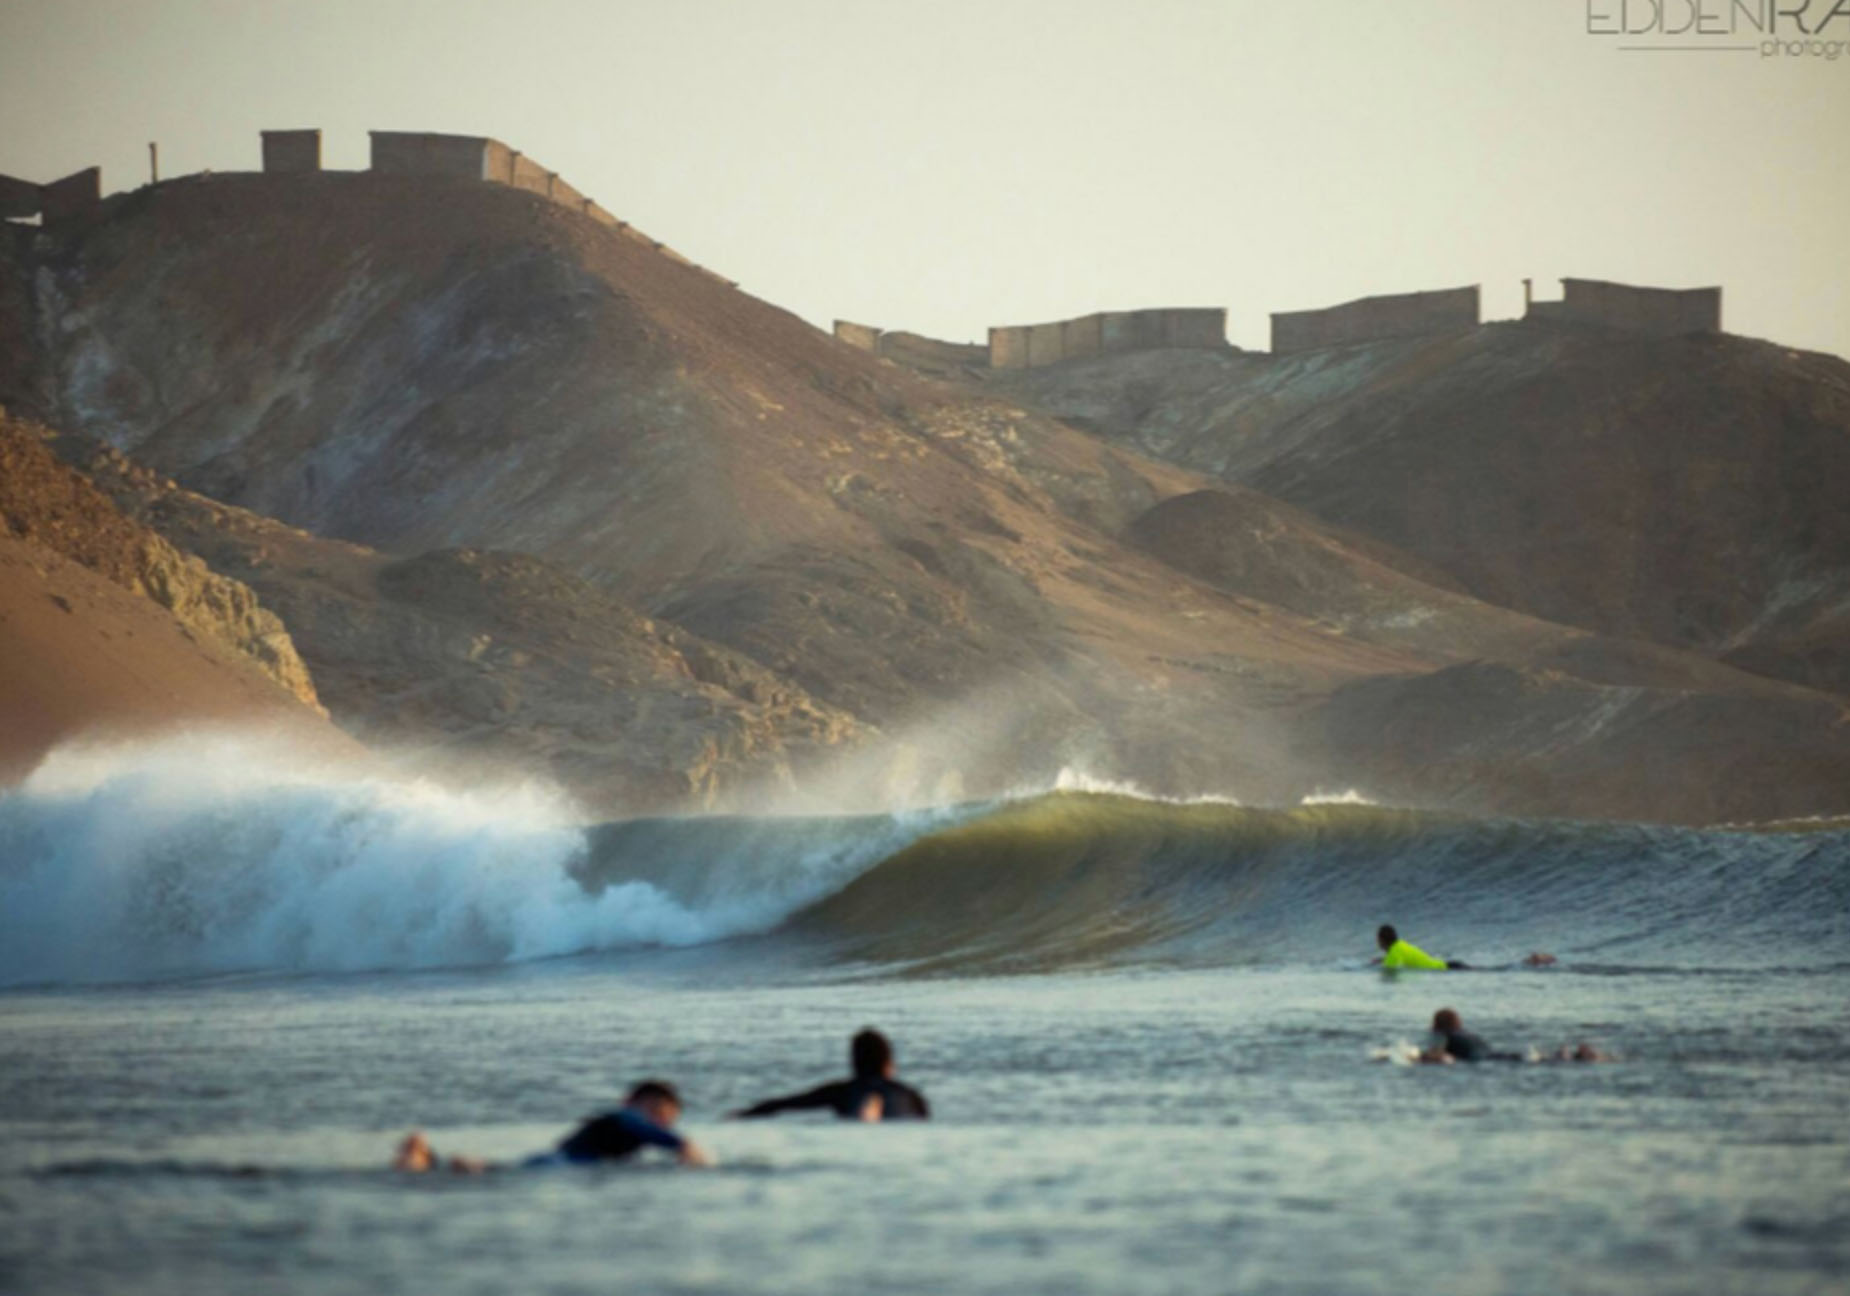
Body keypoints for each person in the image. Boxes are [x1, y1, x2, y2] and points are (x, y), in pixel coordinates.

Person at [393, 1079, 712, 1172]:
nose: (658, 1120)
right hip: (558, 1165)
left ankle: (423, 1156)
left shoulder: (629, 1128)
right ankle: (423, 1157)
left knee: (489, 1171)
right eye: (654, 1109)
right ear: (629, 1101)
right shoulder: (625, 1119)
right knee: (485, 1172)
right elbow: (645, 1130)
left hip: (557, 1162)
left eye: (666, 1117)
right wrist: (682, 1144)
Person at [732, 1028, 930, 1121]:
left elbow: (783, 1104)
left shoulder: (841, 1091)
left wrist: (743, 1114)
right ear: (889, 1064)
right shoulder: (914, 1098)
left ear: (854, 1064)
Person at [1419, 1008, 1522, 1064]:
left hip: (1479, 1059)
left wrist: (1418, 1057)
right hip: (1493, 1055)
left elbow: (1438, 1056)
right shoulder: (1469, 1034)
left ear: (1436, 1024)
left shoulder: (1444, 1035)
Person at [1374, 924, 1468, 970]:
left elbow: (1391, 968)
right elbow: (1401, 958)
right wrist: (1382, 960)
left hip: (1448, 970)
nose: (1377, 941)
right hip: (1451, 965)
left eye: (1378, 939)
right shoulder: (1400, 944)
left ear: (1382, 940)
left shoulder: (1394, 954)